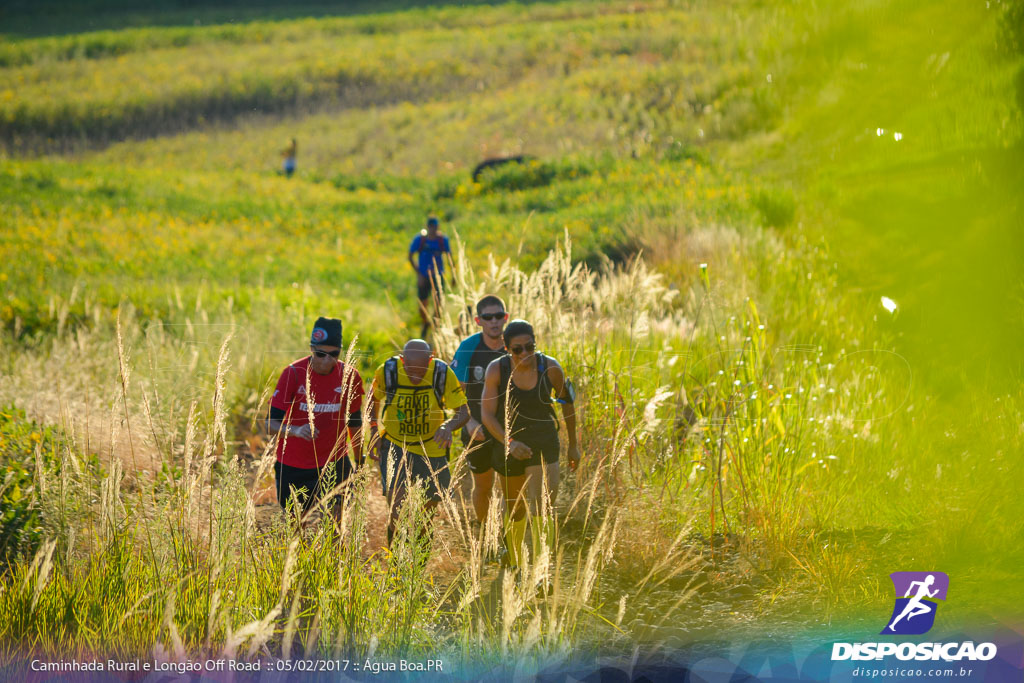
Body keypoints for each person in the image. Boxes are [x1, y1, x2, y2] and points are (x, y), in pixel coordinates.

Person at [480, 320, 579, 570]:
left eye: (530, 346)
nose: (525, 353)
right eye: (517, 349)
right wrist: (510, 443)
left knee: (543, 505)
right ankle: (514, 561)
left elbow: (567, 404)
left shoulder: (551, 367)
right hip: (508, 440)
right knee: (515, 507)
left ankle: (542, 569)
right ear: (506, 349)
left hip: (544, 438)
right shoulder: (496, 370)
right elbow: (487, 415)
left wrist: (573, 445)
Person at [368, 339, 469, 546]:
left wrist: (447, 427)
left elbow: (463, 412)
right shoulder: (388, 371)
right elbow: (373, 399)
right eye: (410, 370)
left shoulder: (442, 373)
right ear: (403, 360)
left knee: (427, 514)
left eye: (421, 370)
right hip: (396, 445)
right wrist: (373, 431)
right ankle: (397, 568)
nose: (415, 376)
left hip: (432, 448)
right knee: (397, 511)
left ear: (430, 360)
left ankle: (419, 566)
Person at [266, 317, 364, 521]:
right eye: (320, 354)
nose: (326, 360)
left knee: (336, 524)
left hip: (334, 462)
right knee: (295, 525)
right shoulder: (293, 373)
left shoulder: (350, 376)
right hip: (294, 465)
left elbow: (354, 422)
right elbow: (270, 424)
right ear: (311, 349)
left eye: (334, 354)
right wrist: (295, 430)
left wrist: (360, 460)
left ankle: (335, 553)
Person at [450, 295, 509, 530]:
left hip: (508, 428)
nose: (494, 322)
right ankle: (484, 534)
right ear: (478, 320)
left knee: (510, 489)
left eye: (499, 316)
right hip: (478, 429)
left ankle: (507, 539)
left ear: (505, 318)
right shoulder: (468, 348)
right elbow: (454, 392)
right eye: (488, 317)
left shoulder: (515, 344)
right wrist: (469, 422)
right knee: (483, 486)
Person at [408, 216, 453, 337]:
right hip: (424, 275)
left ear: (437, 227)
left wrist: (453, 276)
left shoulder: (442, 240)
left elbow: (450, 258)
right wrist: (418, 272)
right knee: (423, 303)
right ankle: (425, 323)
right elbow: (410, 255)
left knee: (438, 303)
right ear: (427, 227)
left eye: (435, 226)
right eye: (430, 226)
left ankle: (436, 325)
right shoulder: (420, 240)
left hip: (438, 275)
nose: (432, 229)